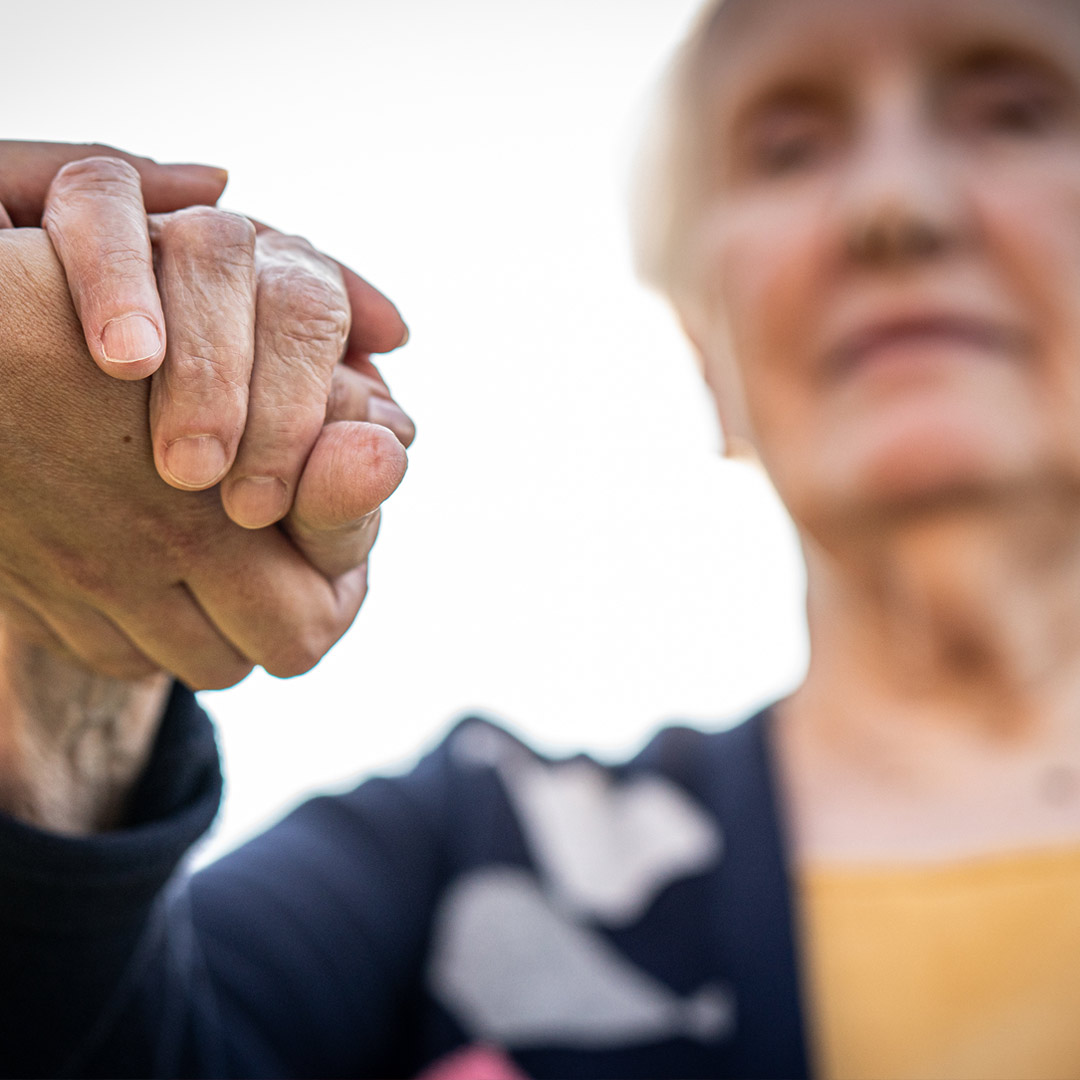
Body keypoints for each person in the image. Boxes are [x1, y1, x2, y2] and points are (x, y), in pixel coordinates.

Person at [5, 0, 1080, 1076]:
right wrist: (67, 680)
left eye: (1018, 114)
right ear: (711, 354)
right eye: (788, 149)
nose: (897, 205)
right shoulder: (466, 865)